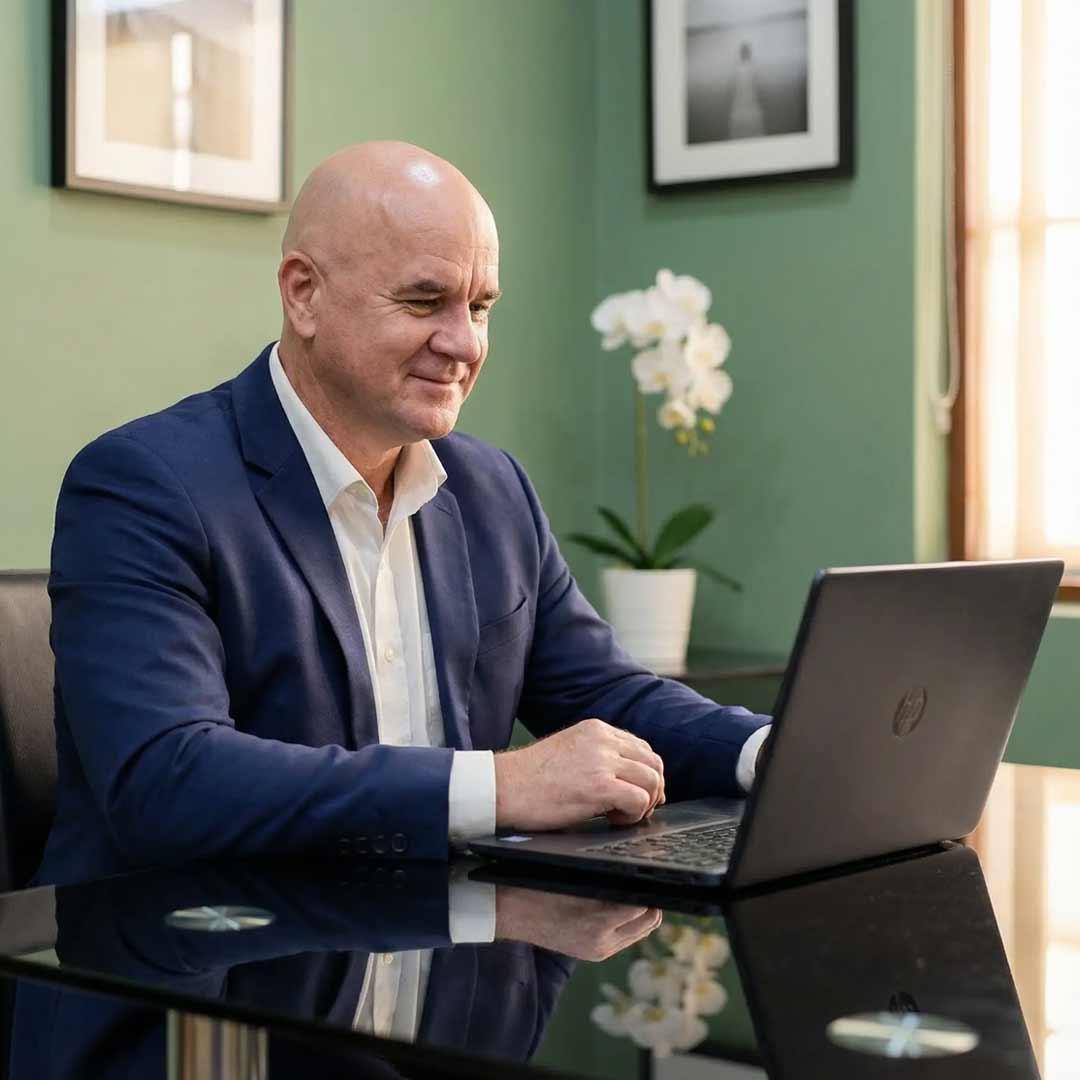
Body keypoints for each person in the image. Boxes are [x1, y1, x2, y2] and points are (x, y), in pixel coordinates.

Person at [41, 141, 770, 886]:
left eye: (480, 307)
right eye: (424, 302)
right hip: (194, 941)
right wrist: (498, 787)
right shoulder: (144, 486)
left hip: (441, 934)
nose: (464, 344)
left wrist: (772, 753)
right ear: (304, 294)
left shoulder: (493, 489)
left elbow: (606, 695)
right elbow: (168, 779)